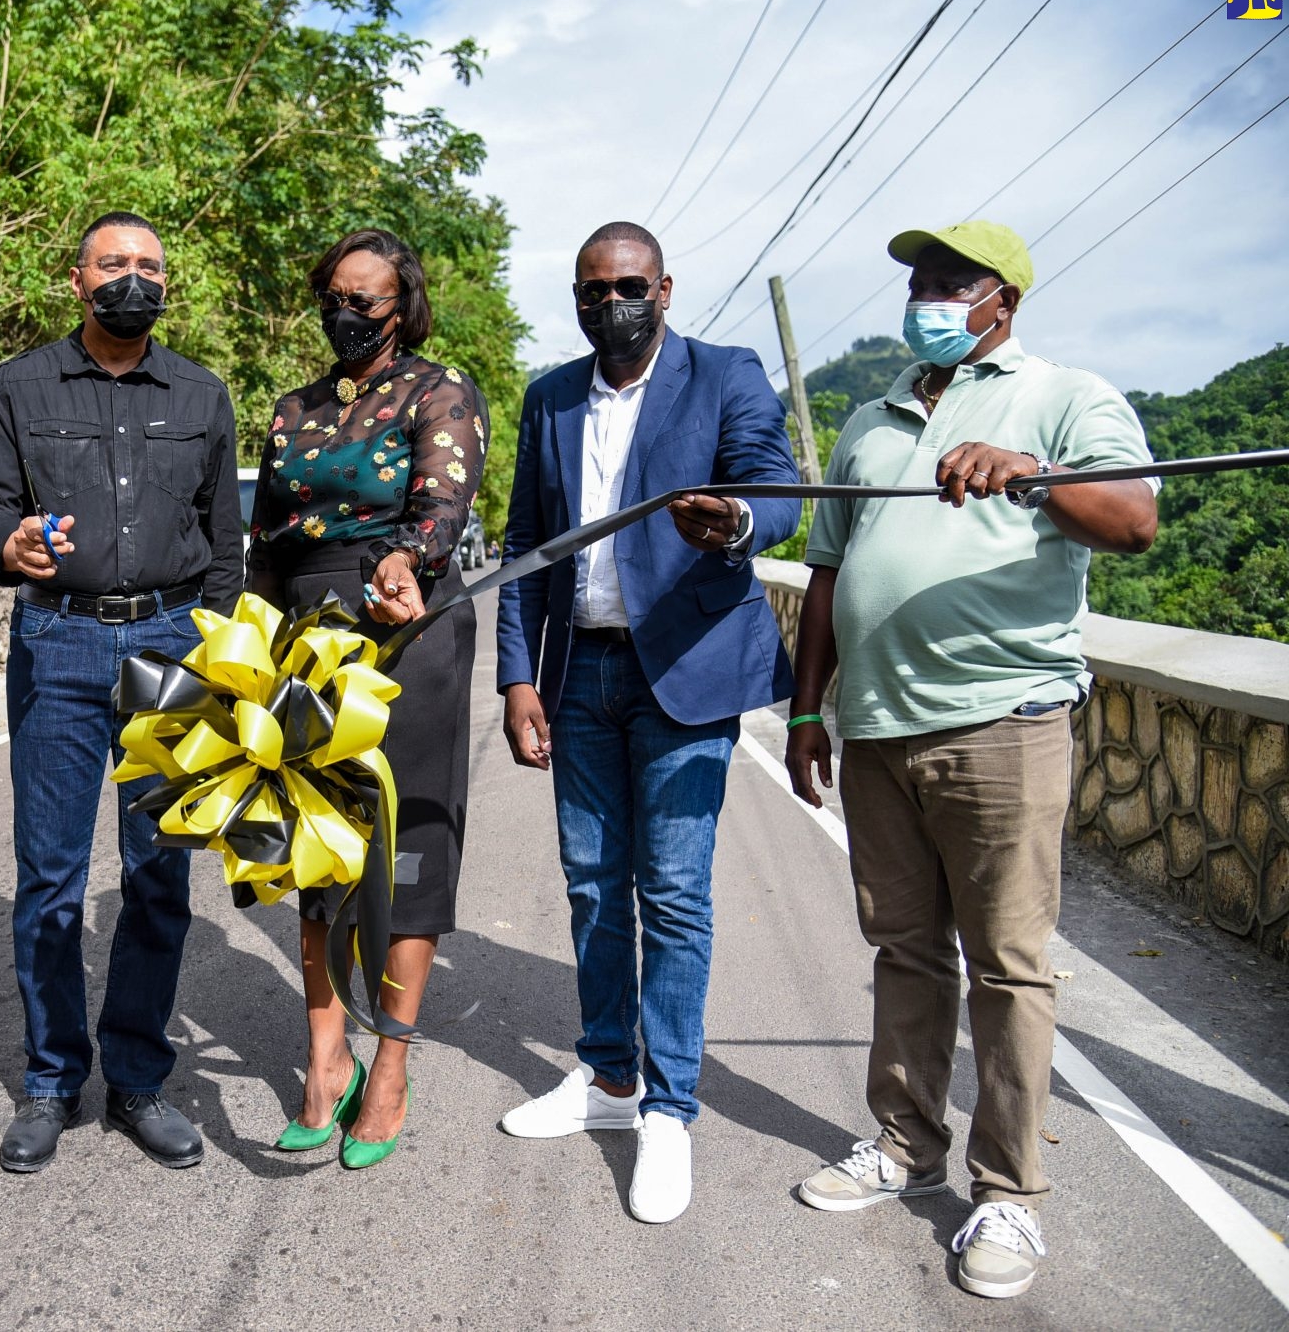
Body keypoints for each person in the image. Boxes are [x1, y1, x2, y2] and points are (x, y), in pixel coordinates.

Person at [786, 221, 1157, 1300]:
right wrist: (806, 713)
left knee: (1006, 966)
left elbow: (1131, 522)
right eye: (915, 281)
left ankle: (1006, 1194)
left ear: (1003, 299)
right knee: (903, 951)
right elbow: (825, 572)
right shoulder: (868, 415)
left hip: (1001, 721)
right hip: (877, 727)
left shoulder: (1062, 395)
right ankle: (903, 1148)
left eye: (950, 282)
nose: (926, 297)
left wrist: (1032, 477)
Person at [493, 221, 800, 1223]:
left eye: (626, 285)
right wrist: (515, 677)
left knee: (670, 896)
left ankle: (668, 1109)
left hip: (685, 674)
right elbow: (524, 546)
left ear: (663, 289)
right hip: (579, 673)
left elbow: (774, 483)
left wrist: (739, 522)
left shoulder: (722, 374)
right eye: (589, 290)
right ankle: (609, 1082)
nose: (607, 303)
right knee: (590, 887)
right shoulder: (547, 396)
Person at [0, 211, 242, 1173]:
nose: (135, 278)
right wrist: (11, 542)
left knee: (159, 872)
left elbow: (224, 545)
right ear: (74, 279)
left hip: (171, 644)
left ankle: (137, 1078)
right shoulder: (16, 387)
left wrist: (219, 661)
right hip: (60, 638)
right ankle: (49, 1081)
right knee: (49, 876)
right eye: (114, 263)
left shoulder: (203, 395)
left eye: (150, 266)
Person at [244, 227, 486, 1170]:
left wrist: (407, 556)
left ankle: (390, 1061)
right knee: (313, 843)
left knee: (403, 841)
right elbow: (267, 540)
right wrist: (245, 645)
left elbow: (443, 502)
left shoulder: (439, 389)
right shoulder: (292, 407)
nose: (347, 314)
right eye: (335, 296)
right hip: (302, 626)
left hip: (403, 625)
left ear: (402, 305)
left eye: (367, 300)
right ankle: (323, 1054)